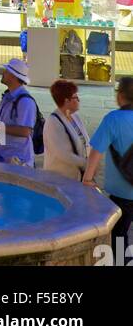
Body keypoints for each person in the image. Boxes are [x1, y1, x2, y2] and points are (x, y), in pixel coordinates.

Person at [83, 76, 133, 257]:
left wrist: (87, 178)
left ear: (120, 96)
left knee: (118, 236)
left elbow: (96, 151)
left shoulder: (113, 119)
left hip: (122, 194)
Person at [0, 59, 38, 167]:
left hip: (18, 161)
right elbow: (0, 122)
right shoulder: (7, 97)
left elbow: (25, 131)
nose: (3, 73)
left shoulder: (25, 101)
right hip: (4, 158)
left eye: (6, 71)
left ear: (13, 76)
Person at [43, 79, 90, 181]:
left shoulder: (75, 117)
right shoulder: (53, 122)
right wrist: (85, 163)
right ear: (66, 100)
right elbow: (62, 154)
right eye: (75, 97)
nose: (79, 100)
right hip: (59, 181)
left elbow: (85, 141)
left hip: (76, 178)